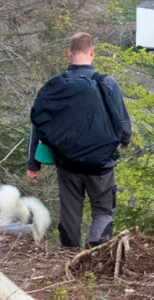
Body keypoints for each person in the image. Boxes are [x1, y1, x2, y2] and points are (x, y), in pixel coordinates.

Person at [27, 32, 132, 249]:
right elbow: (123, 124)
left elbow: (39, 124)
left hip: (67, 163)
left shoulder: (55, 85)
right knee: (102, 210)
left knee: (70, 211)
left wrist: (33, 163)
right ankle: (95, 249)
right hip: (101, 165)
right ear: (92, 52)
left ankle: (69, 255)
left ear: (69, 53)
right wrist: (124, 141)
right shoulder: (107, 84)